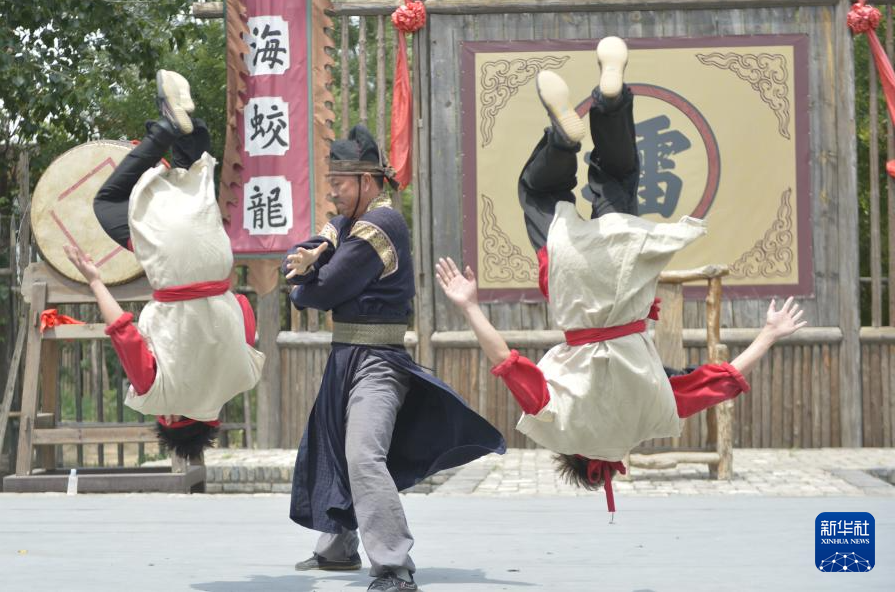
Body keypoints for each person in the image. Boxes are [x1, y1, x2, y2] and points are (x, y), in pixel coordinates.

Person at [435, 37, 807, 513]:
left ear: (613, 462)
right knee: (539, 192)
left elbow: (723, 381)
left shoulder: (650, 414)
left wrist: (770, 333)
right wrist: (468, 305)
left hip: (624, 271)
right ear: (569, 454)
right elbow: (504, 360)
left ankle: (610, 104)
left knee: (617, 177)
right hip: (569, 275)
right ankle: (562, 141)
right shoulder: (553, 417)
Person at [284, 125, 506, 592]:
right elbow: (300, 255)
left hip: (377, 363)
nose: (332, 192)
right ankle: (339, 547)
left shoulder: (380, 226)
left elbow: (320, 292)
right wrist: (313, 260)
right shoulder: (345, 223)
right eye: (331, 183)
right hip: (345, 357)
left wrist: (308, 275)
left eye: (340, 184)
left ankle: (393, 566)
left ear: (366, 181)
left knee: (363, 454)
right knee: (333, 447)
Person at [64, 70, 264, 461]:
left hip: (216, 258)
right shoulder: (159, 394)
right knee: (107, 202)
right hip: (174, 272)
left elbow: (243, 307)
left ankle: (191, 130)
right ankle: (165, 130)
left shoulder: (243, 377)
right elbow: (123, 332)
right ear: (171, 418)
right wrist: (94, 281)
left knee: (190, 181)